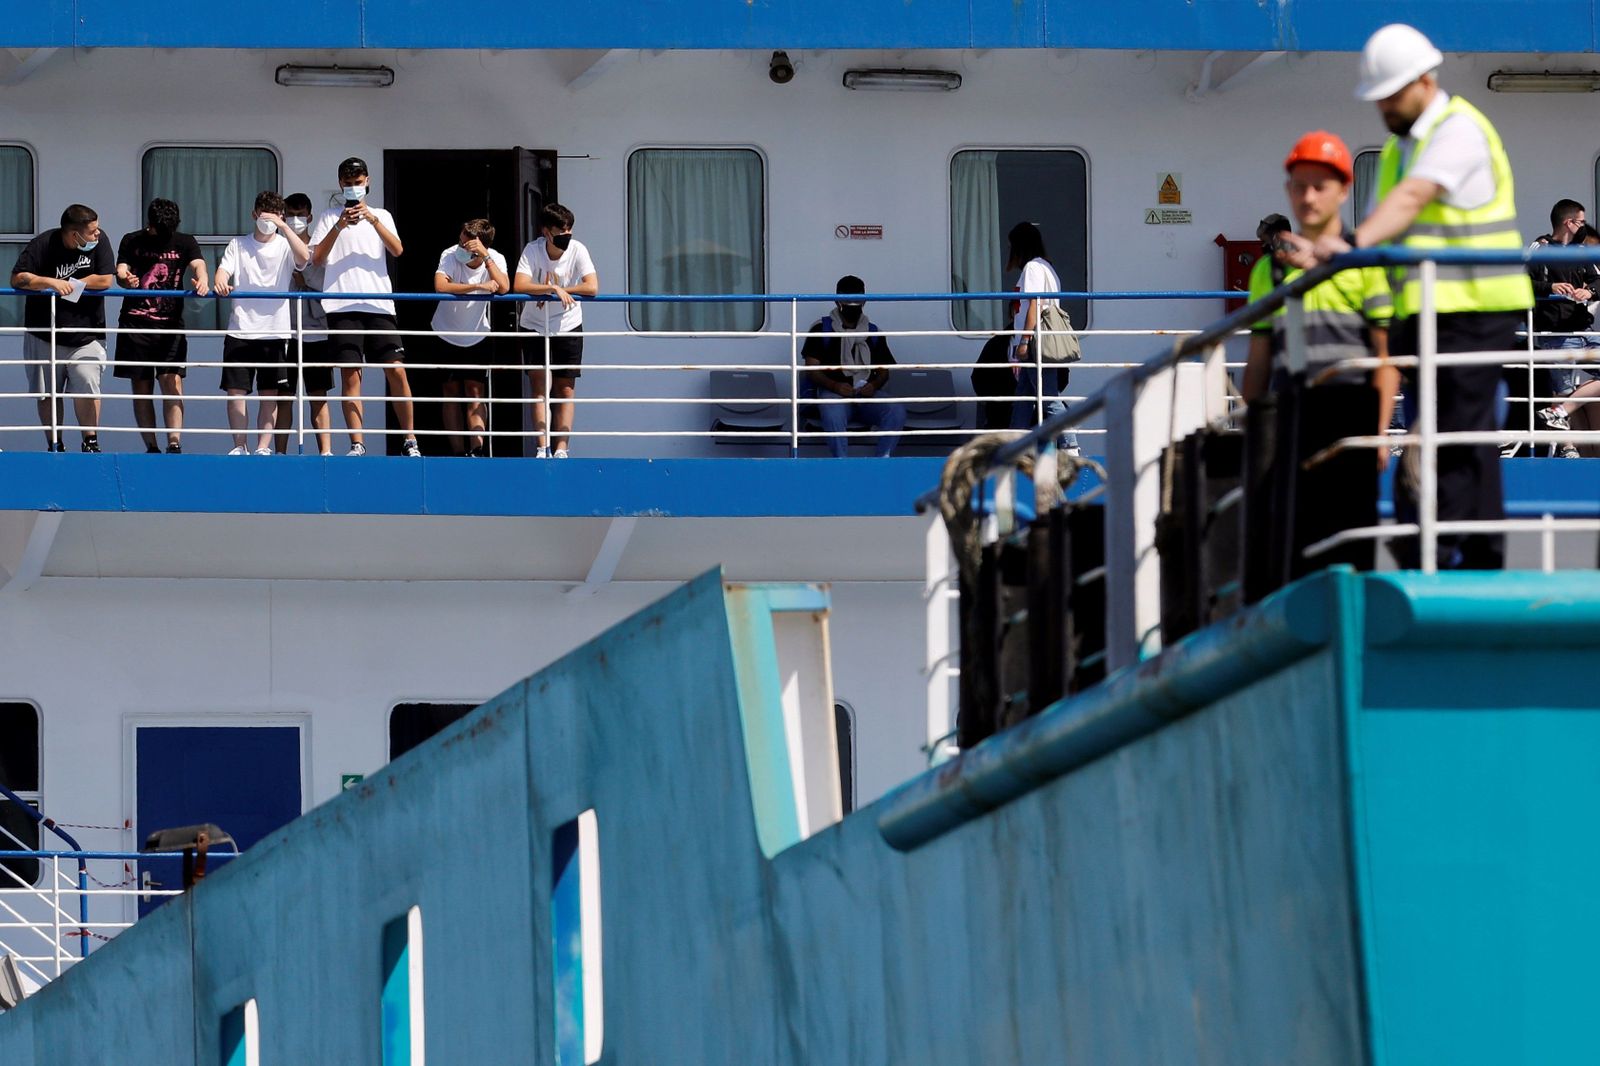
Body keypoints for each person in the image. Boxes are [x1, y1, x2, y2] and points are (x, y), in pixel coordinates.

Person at [1285, 24, 1534, 570]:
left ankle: (1438, 551)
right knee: (1463, 436)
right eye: (1379, 98)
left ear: (1426, 81)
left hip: (1476, 308)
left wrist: (1346, 245)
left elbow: (1412, 200)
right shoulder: (1404, 147)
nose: (1385, 107)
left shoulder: (1458, 130)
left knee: (1458, 434)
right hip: (1427, 315)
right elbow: (1398, 228)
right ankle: (1479, 555)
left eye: (1393, 95)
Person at [1242, 132, 1395, 577]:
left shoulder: (1363, 263)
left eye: (1320, 186)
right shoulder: (1269, 271)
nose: (1308, 197)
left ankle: (1348, 635)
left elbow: (1385, 358)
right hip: (1292, 417)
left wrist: (1381, 432)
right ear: (1288, 191)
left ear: (1344, 191)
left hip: (1352, 417)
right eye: (1299, 185)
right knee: (1295, 543)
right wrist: (1251, 427)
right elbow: (1260, 358)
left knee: (1351, 542)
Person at [309, 157, 420, 457]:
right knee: (350, 373)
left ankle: (410, 439)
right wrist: (339, 225)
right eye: (348, 183)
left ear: (367, 181)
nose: (353, 188)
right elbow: (317, 258)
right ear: (340, 185)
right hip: (341, 305)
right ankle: (357, 443)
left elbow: (397, 249)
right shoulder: (328, 216)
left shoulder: (382, 214)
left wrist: (372, 219)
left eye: (358, 183)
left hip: (379, 305)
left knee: (396, 370)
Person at [9, 204, 115, 451]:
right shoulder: (43, 244)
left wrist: (73, 284)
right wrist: (49, 282)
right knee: (47, 393)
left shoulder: (101, 241)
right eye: (91, 232)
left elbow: (105, 279)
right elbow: (18, 278)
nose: (97, 235)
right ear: (73, 234)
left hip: (87, 334)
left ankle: (90, 442)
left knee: (88, 385)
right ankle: (55, 443)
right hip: (44, 334)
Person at [213, 191, 310, 455]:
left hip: (275, 332)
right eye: (262, 215)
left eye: (273, 216)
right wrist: (220, 278)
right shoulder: (238, 244)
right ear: (254, 215)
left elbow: (304, 258)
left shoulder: (285, 245)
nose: (265, 220)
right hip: (241, 329)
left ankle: (263, 447)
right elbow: (225, 269)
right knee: (236, 393)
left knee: (270, 395)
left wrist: (283, 227)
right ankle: (239, 445)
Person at [113, 198, 209, 453]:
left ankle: (174, 442)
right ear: (150, 225)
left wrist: (202, 278)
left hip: (170, 326)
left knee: (172, 381)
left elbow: (198, 263)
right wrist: (126, 278)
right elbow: (121, 271)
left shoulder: (185, 241)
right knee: (141, 386)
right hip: (135, 324)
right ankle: (151, 446)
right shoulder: (131, 240)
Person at [514, 204, 597, 458]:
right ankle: (542, 447)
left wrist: (562, 291)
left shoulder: (577, 249)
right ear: (546, 232)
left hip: (568, 325)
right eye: (561, 230)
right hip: (535, 327)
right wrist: (549, 289)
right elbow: (519, 284)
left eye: (569, 229)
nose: (566, 234)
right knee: (539, 386)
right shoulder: (533, 250)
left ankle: (561, 449)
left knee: (565, 388)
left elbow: (592, 287)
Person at [800, 275, 906, 458]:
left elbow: (883, 371)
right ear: (837, 300)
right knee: (831, 407)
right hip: (834, 393)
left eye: (857, 299)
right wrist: (835, 386)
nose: (853, 304)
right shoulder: (821, 329)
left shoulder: (873, 331)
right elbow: (812, 369)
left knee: (896, 409)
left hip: (866, 394)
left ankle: (882, 460)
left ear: (864, 301)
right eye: (848, 299)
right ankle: (841, 461)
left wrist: (873, 386)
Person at [1527, 202, 1599, 457]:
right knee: (1564, 388)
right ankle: (1568, 448)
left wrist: (1588, 291)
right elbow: (1520, 281)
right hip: (1555, 332)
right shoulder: (1541, 248)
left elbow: (1598, 280)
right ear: (1569, 223)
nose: (1583, 226)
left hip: (1583, 330)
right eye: (1580, 222)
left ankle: (1557, 412)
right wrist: (1551, 288)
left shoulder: (1581, 252)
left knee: (1567, 392)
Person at [433, 219, 509, 457]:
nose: (460, 247)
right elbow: (440, 287)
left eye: (466, 245)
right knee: (451, 392)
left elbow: (505, 287)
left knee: (476, 392)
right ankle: (457, 452)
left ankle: (477, 449)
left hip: (477, 336)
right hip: (445, 333)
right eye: (460, 241)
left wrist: (486, 259)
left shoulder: (494, 259)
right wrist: (479, 287)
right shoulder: (449, 255)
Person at [1006, 221, 1080, 455]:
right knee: (1024, 399)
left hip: (1037, 343)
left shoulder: (1032, 268)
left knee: (1048, 398)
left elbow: (1035, 304)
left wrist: (1024, 341)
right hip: (1039, 342)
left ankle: (1070, 446)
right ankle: (1014, 445)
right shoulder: (1047, 267)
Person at [272, 193, 336, 456]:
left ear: (309, 217)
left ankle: (326, 453)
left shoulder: (321, 249)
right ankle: (280, 454)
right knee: (283, 395)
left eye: (300, 214)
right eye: (290, 214)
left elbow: (326, 286)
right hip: (284, 331)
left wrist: (305, 276)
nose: (296, 220)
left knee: (318, 395)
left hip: (316, 332)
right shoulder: (277, 246)